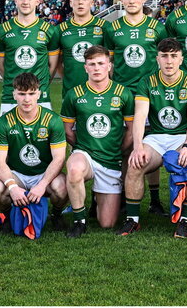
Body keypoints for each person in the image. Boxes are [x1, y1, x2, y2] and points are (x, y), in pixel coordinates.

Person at [118, 38, 187, 238]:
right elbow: (140, 117)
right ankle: (133, 220)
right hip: (156, 137)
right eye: (164, 56)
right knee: (135, 163)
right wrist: (138, 146)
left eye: (174, 56)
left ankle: (186, 220)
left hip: (182, 136)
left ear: (181, 59)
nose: (169, 61)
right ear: (157, 59)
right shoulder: (147, 82)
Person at [104, 0, 169, 216]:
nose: (131, 1)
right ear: (121, 0)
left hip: (151, 95)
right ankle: (123, 196)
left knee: (150, 143)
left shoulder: (157, 28)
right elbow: (109, 64)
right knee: (125, 146)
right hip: (123, 96)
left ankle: (154, 200)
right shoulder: (112, 29)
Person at [60, 46, 132, 236]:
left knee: (107, 223)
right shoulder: (74, 94)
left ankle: (95, 197)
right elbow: (67, 130)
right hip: (86, 154)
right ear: (85, 68)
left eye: (101, 63)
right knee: (74, 168)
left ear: (109, 66)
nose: (97, 68)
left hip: (111, 160)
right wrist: (82, 148)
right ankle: (79, 221)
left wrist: (118, 150)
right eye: (92, 64)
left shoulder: (123, 93)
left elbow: (131, 131)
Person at [0, 0, 61, 116]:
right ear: (16, 0)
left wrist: (39, 86)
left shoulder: (49, 30)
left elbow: (52, 66)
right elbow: (1, 65)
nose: (25, 2)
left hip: (40, 97)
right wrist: (14, 83)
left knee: (41, 137)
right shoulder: (3, 30)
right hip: (10, 97)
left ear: (37, 1)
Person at [58, 0, 106, 93]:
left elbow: (111, 61)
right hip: (70, 92)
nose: (80, 2)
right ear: (71, 3)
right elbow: (57, 63)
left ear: (92, 2)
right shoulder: (60, 29)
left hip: (100, 92)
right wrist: (68, 79)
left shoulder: (105, 27)